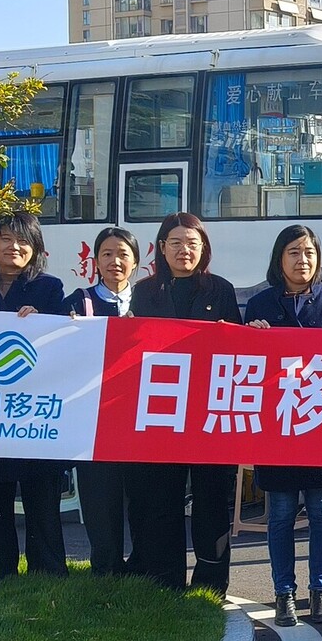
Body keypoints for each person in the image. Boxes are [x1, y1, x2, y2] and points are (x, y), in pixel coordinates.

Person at [127, 212, 244, 595]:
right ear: (162, 248)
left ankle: (211, 583)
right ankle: (165, 582)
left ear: (203, 248)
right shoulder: (145, 292)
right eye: (175, 243)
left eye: (192, 243)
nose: (184, 251)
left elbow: (237, 350)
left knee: (212, 500)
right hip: (162, 410)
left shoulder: (221, 290)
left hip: (210, 410)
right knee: (161, 499)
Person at [244, 224, 322, 626]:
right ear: (279, 258)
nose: (302, 260)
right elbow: (248, 366)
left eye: (309, 252)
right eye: (293, 252)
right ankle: (284, 593)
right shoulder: (260, 303)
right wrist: (251, 337)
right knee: (281, 514)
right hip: (278, 426)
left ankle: (321, 591)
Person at [0, 213, 69, 579]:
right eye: (6, 238)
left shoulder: (50, 288)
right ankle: (3, 572)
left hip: (34, 413)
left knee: (42, 498)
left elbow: (65, 341)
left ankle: (48, 571)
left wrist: (43, 321)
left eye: (23, 240)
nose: (14, 247)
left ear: (36, 248)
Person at [65, 225, 141, 576]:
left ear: (136, 262)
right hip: (93, 417)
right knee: (100, 495)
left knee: (140, 494)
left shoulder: (148, 301)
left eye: (123, 254)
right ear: (95, 261)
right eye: (107, 254)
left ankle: (142, 565)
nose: (115, 261)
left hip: (140, 413)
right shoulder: (77, 303)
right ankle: (106, 567)